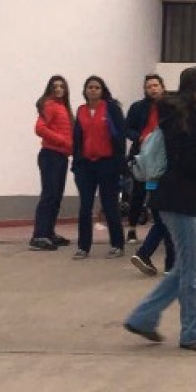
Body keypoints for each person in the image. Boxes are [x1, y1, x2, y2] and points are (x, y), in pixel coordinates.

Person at [124, 67, 196, 352]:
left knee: (183, 268)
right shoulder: (184, 120)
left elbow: (195, 152)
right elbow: (191, 159)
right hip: (181, 199)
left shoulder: (187, 117)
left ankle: (143, 318)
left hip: (179, 198)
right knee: (192, 271)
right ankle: (193, 332)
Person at [71, 76, 127, 259]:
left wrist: (120, 164)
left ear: (102, 90)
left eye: (97, 87)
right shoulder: (80, 111)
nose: (93, 90)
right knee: (85, 207)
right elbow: (77, 139)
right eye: (90, 87)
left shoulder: (111, 109)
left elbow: (120, 136)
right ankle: (83, 247)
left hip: (107, 163)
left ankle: (117, 244)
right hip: (86, 165)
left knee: (109, 204)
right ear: (85, 90)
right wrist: (77, 163)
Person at [30, 75, 73, 251]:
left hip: (61, 156)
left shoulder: (63, 107)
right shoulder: (49, 105)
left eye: (61, 86)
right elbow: (39, 128)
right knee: (49, 195)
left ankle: (48, 233)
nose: (58, 89)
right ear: (50, 88)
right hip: (50, 155)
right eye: (55, 86)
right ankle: (39, 235)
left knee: (56, 196)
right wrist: (62, 141)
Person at [124, 74, 166, 244]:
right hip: (141, 156)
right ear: (145, 89)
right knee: (138, 194)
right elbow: (127, 129)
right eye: (149, 86)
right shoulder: (137, 107)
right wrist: (139, 137)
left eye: (156, 85)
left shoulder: (170, 107)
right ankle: (132, 228)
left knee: (160, 194)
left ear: (162, 87)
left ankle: (160, 227)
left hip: (162, 157)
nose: (153, 89)